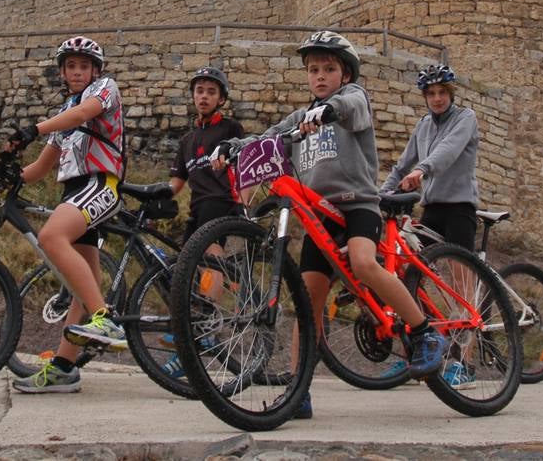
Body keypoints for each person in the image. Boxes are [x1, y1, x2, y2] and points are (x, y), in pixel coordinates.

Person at [214, 31, 448, 419]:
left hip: (358, 205)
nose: (320, 76)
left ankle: (425, 333)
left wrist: (327, 111)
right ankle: (298, 389)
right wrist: (234, 148)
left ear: (345, 74)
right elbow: (269, 137)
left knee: (363, 263)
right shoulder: (300, 117)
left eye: (329, 69)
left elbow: (348, 107)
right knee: (308, 301)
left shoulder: (354, 99)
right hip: (320, 214)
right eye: (313, 70)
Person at [0, 36, 128, 395]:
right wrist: (4, 175)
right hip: (75, 192)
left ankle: (107, 322)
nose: (78, 71)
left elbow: (85, 114)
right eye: (72, 66)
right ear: (63, 73)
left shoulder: (105, 89)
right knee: (81, 285)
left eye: (84, 66)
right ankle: (64, 369)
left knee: (51, 237)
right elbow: (40, 167)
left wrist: (34, 128)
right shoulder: (65, 113)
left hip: (101, 183)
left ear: (95, 70)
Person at [381, 62, 481, 385]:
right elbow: (401, 165)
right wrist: (380, 194)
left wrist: (423, 170)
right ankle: (414, 355)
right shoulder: (423, 126)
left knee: (461, 285)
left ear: (450, 94)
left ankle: (465, 364)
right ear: (424, 96)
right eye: (431, 94)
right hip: (433, 209)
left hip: (460, 207)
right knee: (412, 279)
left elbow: (448, 152)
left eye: (442, 93)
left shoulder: (466, 118)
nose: (437, 99)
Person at [159, 65, 245, 378]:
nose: (204, 96)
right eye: (199, 91)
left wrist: (245, 202)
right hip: (196, 207)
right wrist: (149, 197)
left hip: (221, 201)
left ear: (221, 98)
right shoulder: (187, 140)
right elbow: (176, 184)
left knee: (209, 255)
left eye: (211, 92)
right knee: (184, 267)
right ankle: (193, 334)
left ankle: (208, 322)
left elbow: (245, 164)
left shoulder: (231, 128)